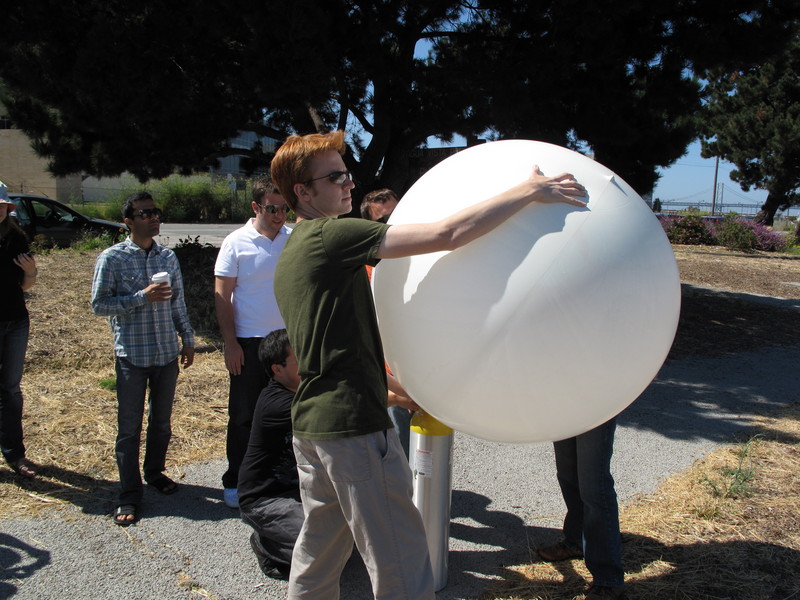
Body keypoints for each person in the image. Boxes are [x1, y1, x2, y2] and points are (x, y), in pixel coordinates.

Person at [270, 130, 586, 600]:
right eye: (335, 177)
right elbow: (447, 234)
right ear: (303, 191)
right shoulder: (331, 235)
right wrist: (529, 190)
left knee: (318, 556)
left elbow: (337, 348)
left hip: (315, 426)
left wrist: (397, 385)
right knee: (401, 559)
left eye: (347, 173)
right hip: (353, 427)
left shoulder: (293, 251)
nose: (348, 185)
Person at [91, 191, 195, 526]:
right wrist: (140, 298)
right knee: (129, 428)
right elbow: (99, 304)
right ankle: (129, 493)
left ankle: (154, 472)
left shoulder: (167, 257)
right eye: (145, 213)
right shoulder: (113, 258)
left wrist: (188, 339)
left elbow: (177, 302)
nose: (153, 217)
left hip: (165, 353)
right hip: (132, 356)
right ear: (128, 221)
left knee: (161, 423)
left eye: (156, 212)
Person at [214, 177, 291, 509]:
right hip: (248, 342)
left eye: (285, 208)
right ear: (256, 207)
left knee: (288, 413)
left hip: (288, 344)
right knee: (244, 415)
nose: (280, 215)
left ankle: (279, 476)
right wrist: (230, 343)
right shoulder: (235, 242)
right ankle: (236, 479)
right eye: (273, 208)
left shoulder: (293, 238)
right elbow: (222, 295)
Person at [238, 328, 303, 581]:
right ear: (278, 369)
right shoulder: (276, 404)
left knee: (342, 544)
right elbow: (340, 404)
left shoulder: (299, 390)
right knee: (319, 550)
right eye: (300, 360)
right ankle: (266, 545)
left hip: (298, 491)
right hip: (264, 500)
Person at [537, 418, 625, 599]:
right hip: (565, 403)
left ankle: (608, 580)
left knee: (594, 484)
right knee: (568, 474)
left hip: (596, 401)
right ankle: (576, 542)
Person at [361, 187, 414, 457]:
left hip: (425, 367)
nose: (391, 228)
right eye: (382, 223)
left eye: (396, 219)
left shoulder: (419, 261)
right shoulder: (364, 271)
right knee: (397, 448)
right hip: (389, 373)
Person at [0, 182, 39, 478]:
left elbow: (25, 286)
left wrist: (30, 273)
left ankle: (15, 454)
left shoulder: (15, 238)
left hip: (15, 320)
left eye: (3, 206)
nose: (0, 210)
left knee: (10, 390)